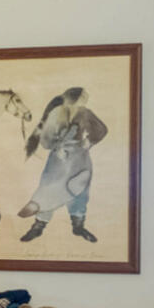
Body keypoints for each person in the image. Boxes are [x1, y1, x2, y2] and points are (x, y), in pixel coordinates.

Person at [17, 87, 107, 243]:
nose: (87, 97)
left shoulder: (85, 113)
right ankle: (38, 227)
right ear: (76, 97)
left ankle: (78, 227)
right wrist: (56, 148)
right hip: (59, 159)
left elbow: (102, 129)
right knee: (50, 188)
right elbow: (45, 139)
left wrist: (90, 141)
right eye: (84, 96)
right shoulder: (57, 112)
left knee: (80, 189)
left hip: (80, 158)